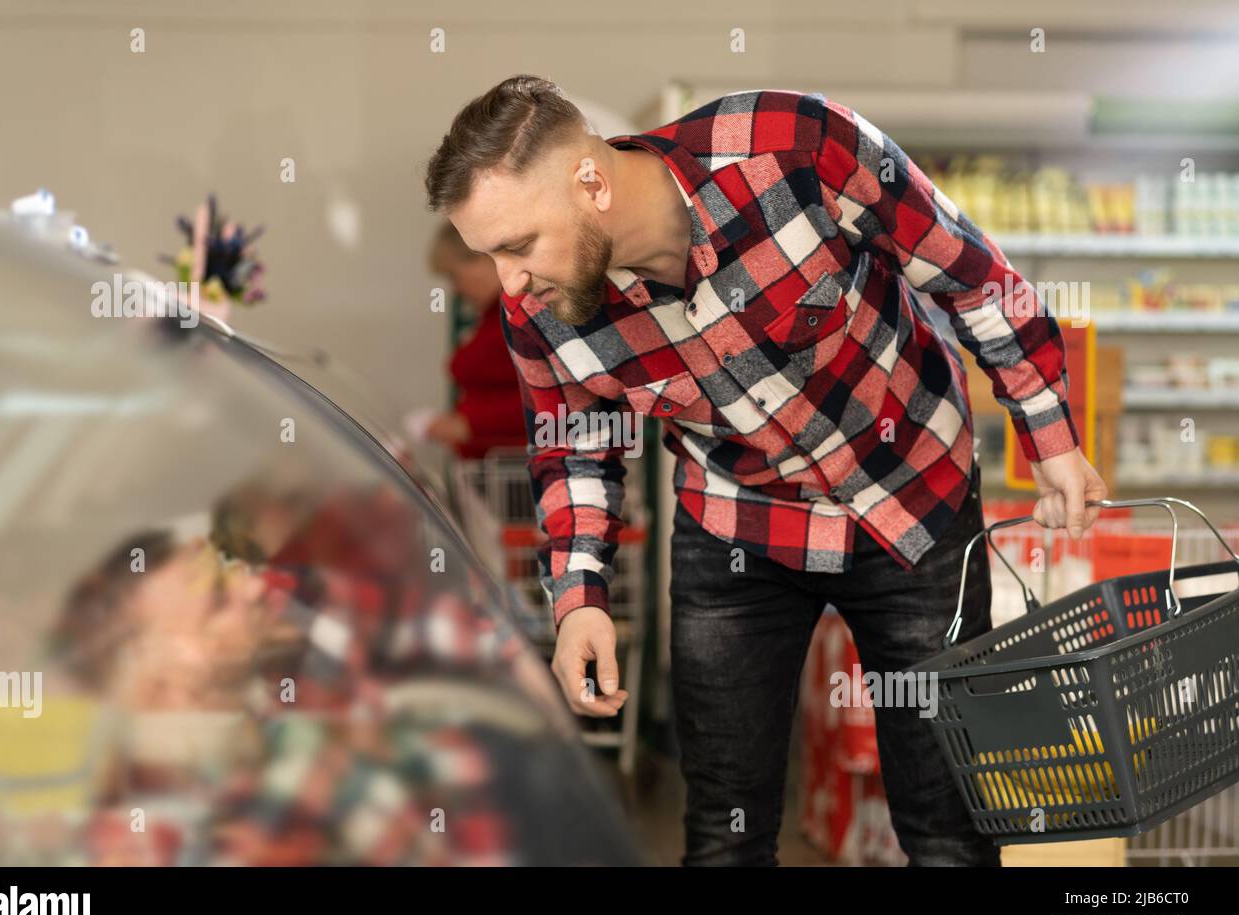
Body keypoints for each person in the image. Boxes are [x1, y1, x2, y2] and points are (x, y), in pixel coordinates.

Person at [424, 75, 1110, 866]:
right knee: (725, 835)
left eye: (517, 245)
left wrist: (1050, 436)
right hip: (737, 528)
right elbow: (576, 443)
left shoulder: (795, 146)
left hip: (914, 497)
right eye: (489, 256)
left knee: (947, 826)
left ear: (592, 182)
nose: (508, 284)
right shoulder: (538, 313)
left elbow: (975, 280)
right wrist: (579, 599)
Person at [415, 220, 528, 458]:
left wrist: (467, 425)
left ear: (483, 259)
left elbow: (551, 401)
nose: (455, 290)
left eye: (454, 276)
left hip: (515, 474)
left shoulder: (521, 316)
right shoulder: (492, 315)